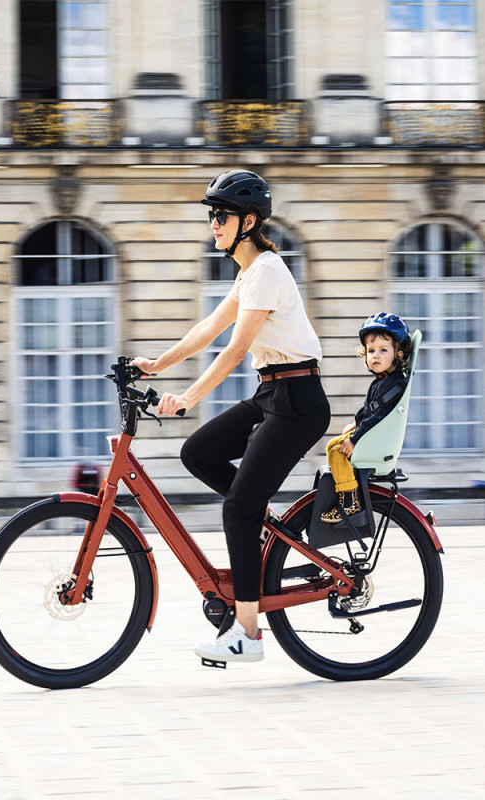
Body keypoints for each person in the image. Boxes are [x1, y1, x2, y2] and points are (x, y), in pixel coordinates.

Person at [132, 169, 330, 665]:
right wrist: (157, 364)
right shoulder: (248, 274)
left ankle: (247, 634)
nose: (213, 224)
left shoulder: (266, 269)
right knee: (198, 452)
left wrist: (189, 397)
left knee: (237, 509)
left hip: (298, 401)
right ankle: (264, 523)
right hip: (272, 394)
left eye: (220, 215)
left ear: (248, 221)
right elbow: (208, 329)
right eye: (212, 215)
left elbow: (237, 348)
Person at [321, 313, 412, 523]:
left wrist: (355, 439)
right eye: (371, 351)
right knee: (333, 445)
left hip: (374, 439)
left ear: (398, 354)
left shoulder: (392, 384)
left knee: (335, 451)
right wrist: (355, 425)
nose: (375, 356)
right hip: (371, 435)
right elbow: (368, 411)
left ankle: (349, 502)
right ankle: (346, 492)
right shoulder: (383, 381)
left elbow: (378, 417)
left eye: (383, 350)